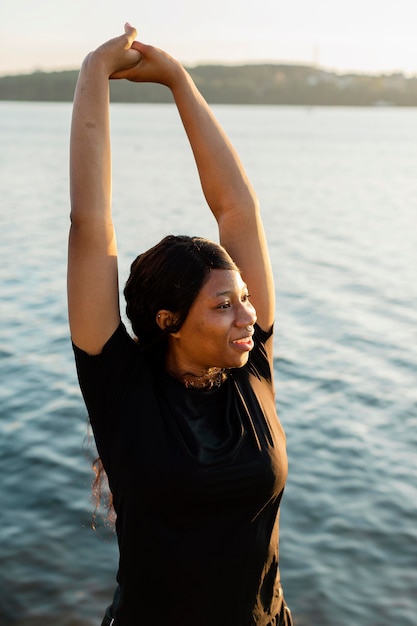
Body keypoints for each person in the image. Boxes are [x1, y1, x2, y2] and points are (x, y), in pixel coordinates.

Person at [68, 23, 292, 626]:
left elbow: (237, 208)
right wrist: (94, 72)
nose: (248, 316)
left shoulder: (250, 366)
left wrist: (179, 82)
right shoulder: (122, 390)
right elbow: (92, 224)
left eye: (244, 298)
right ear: (167, 321)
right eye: (223, 305)